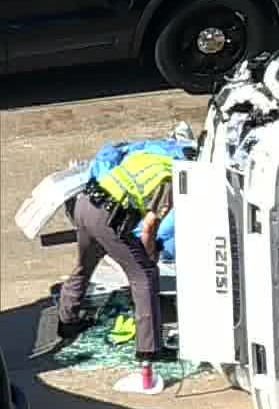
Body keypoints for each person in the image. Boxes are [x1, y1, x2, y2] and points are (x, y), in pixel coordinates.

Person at [50, 148, 186, 371]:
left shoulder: (146, 157)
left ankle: (67, 323)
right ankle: (149, 350)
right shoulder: (169, 176)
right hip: (107, 217)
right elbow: (150, 226)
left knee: (85, 265)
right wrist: (149, 258)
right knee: (145, 276)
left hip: (84, 205)